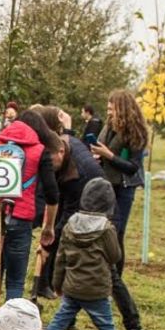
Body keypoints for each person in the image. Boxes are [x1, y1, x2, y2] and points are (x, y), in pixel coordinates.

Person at [0, 109, 59, 301]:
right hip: (19, 217)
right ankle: (8, 322)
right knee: (15, 278)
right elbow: (52, 193)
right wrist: (49, 226)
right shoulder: (40, 151)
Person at [45, 178, 128, 330]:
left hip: (72, 287)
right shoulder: (107, 229)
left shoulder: (71, 223)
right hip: (96, 291)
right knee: (106, 328)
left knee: (57, 325)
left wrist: (57, 283)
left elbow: (60, 257)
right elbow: (115, 255)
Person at [88, 90, 147, 330]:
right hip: (104, 185)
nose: (108, 110)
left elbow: (132, 166)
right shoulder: (108, 127)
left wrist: (109, 156)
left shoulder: (134, 131)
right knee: (106, 242)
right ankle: (111, 283)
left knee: (114, 239)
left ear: (122, 108)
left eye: (112, 107)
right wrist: (97, 155)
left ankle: (117, 287)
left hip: (123, 189)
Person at [34, 106, 105, 305]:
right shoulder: (59, 145)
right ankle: (49, 287)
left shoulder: (76, 175)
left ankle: (69, 294)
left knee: (76, 248)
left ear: (60, 152)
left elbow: (68, 216)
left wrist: (49, 240)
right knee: (58, 236)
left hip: (95, 203)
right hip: (74, 193)